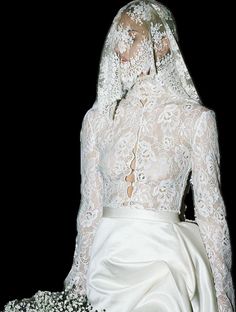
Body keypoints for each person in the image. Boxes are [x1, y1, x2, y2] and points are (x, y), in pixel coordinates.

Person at [3, 0, 235, 311]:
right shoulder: (98, 121)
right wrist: (79, 282)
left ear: (163, 43)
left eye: (133, 36)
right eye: (118, 37)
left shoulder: (195, 120)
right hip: (105, 264)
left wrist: (221, 294)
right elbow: (90, 210)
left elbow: (210, 212)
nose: (120, 48)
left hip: (166, 265)